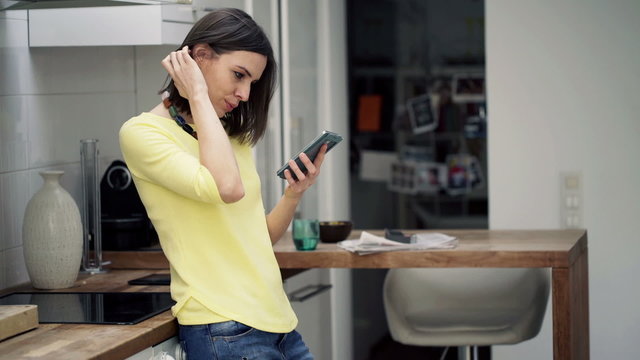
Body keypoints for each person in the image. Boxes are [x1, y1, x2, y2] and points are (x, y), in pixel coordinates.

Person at [119, 8, 324, 360]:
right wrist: (197, 94)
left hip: (279, 325)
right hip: (222, 329)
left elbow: (256, 239)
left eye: (252, 83)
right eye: (239, 75)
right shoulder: (142, 134)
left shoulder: (228, 134)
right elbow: (227, 189)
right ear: (200, 56)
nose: (244, 93)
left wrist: (293, 194)